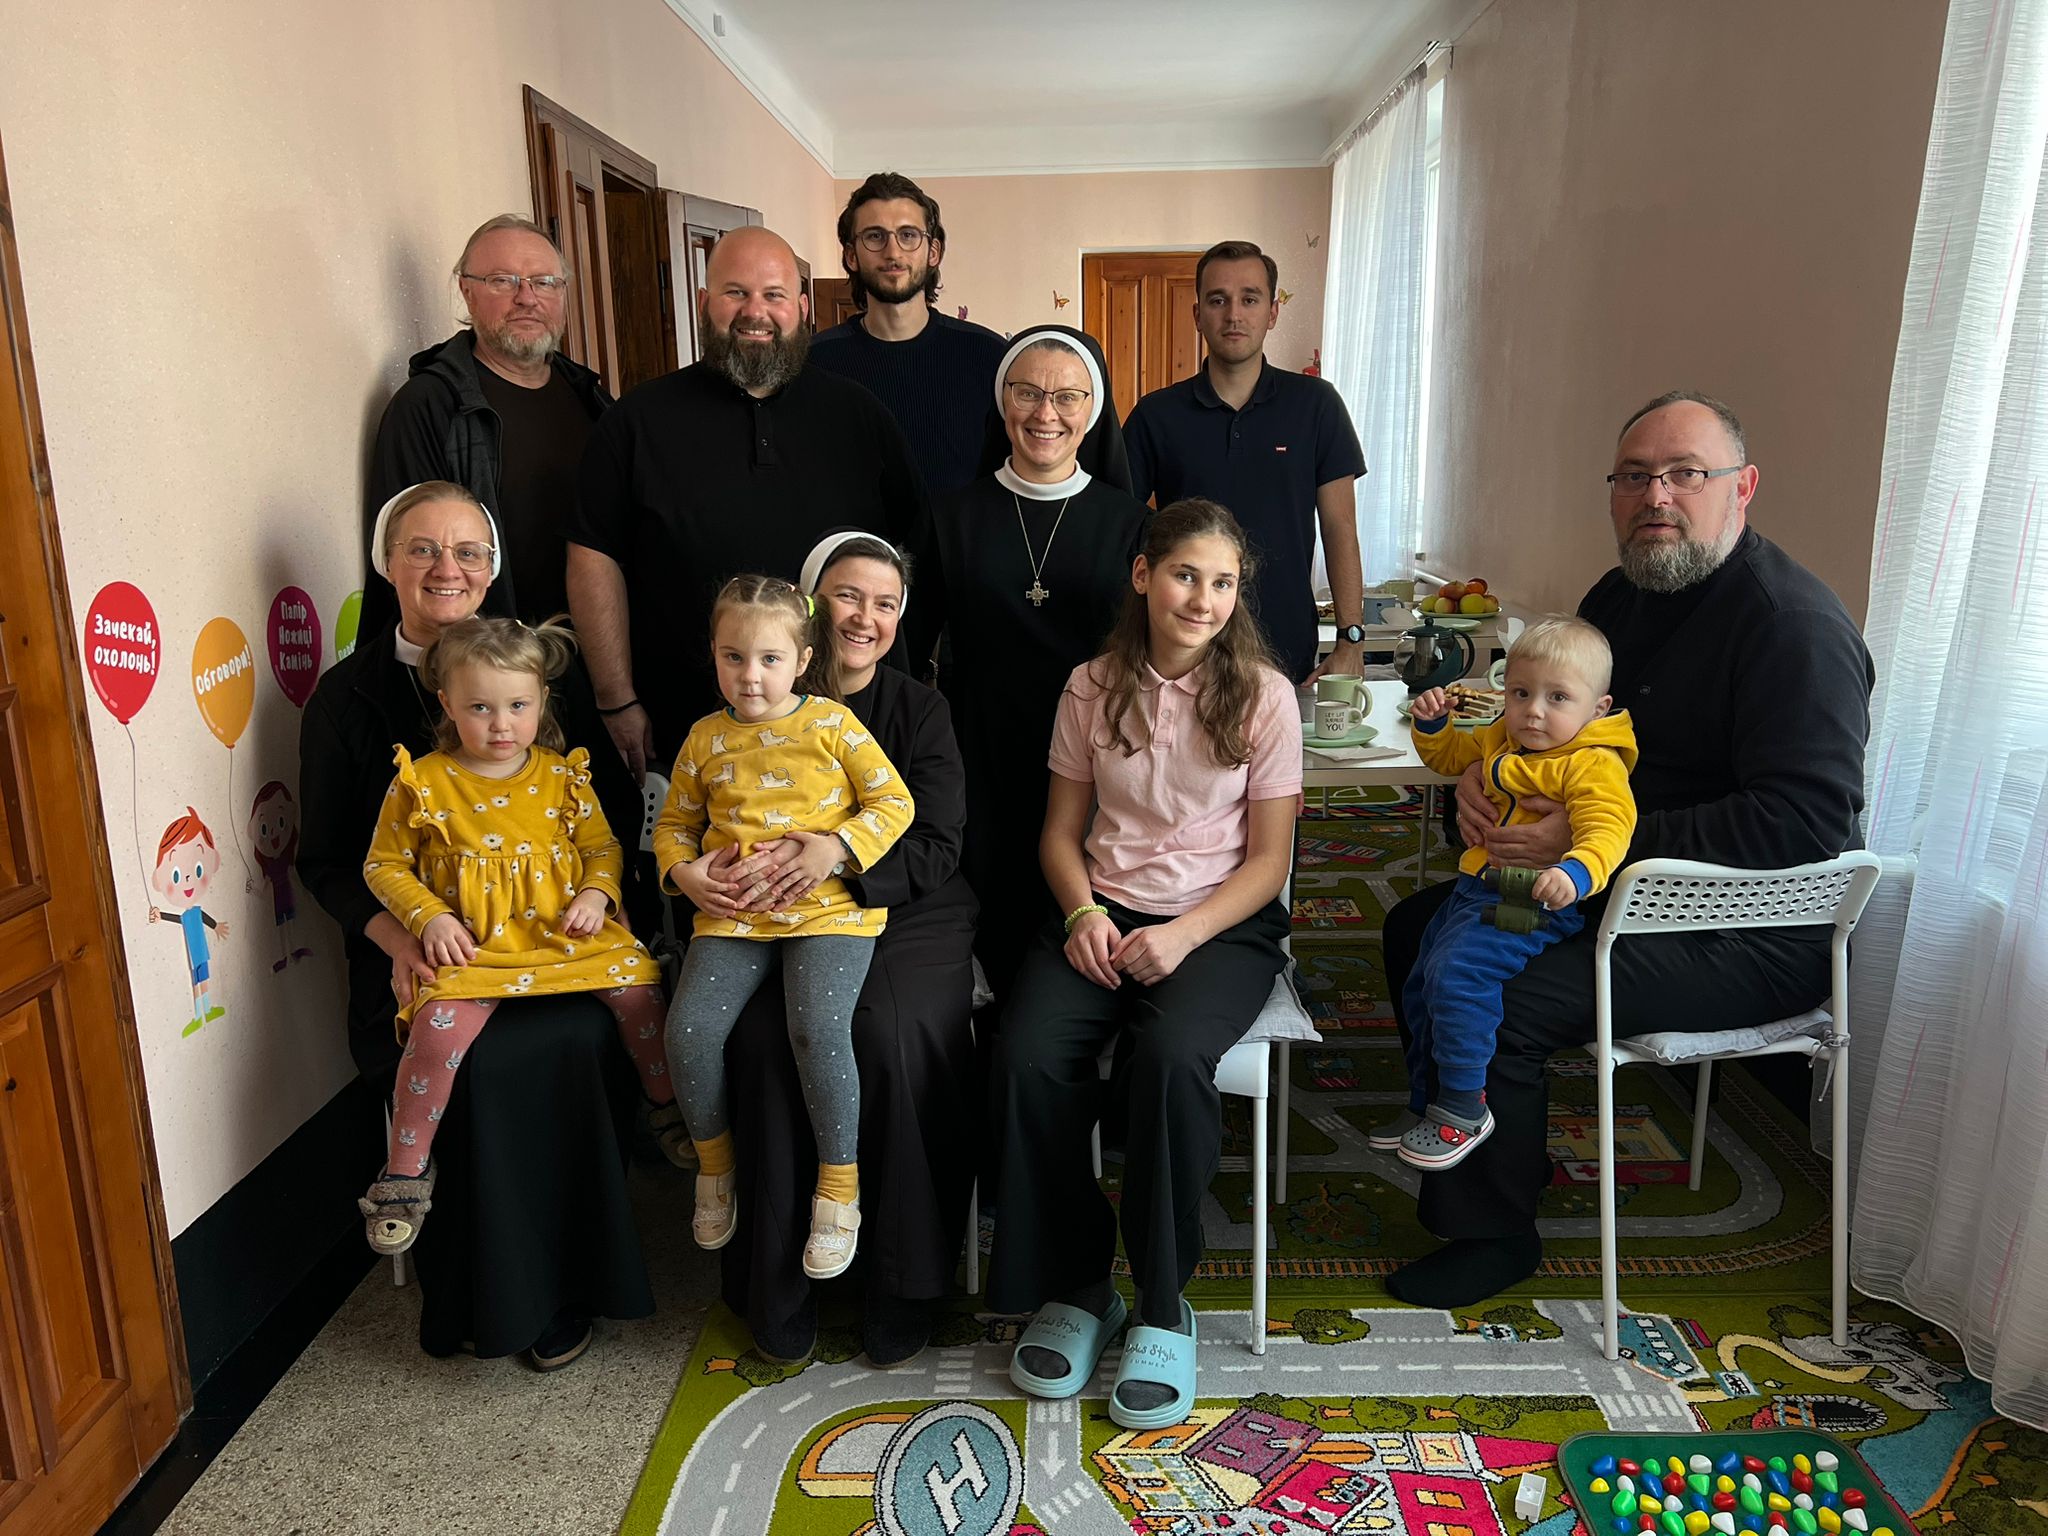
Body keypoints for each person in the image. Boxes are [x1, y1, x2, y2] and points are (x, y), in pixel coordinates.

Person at [1380, 391, 1875, 1309]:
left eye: (1687, 474)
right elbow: (1552, 736)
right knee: (1417, 929)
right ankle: (1479, 1131)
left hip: (1747, 931)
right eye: (1636, 476)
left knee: (1503, 990)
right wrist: (1485, 787)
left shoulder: (1793, 629)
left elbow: (1800, 825)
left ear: (1742, 488)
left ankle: (1492, 1233)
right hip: (1614, 891)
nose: (1658, 497)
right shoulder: (1620, 597)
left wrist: (1589, 842)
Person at [299, 480, 653, 1368]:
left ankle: (576, 1283)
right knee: (481, 1060)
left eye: (467, 551)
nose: (445, 568)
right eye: (422, 549)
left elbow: (601, 835)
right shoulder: (346, 698)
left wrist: (594, 904)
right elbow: (331, 861)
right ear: (387, 563)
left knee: (578, 1039)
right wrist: (401, 936)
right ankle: (483, 1297)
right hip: (424, 956)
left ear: (491, 569)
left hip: (552, 946)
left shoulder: (533, 676)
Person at [993, 499, 1300, 1431]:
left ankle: (1165, 1305)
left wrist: (1186, 934)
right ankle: (1083, 1285)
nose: (1202, 599)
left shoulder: (1265, 696)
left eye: (1223, 582)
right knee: (1024, 1058)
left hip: (1221, 922)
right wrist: (1082, 911)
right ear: (1143, 575)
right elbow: (1060, 833)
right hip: (1103, 911)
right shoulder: (1090, 686)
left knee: (1168, 1061)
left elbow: (1269, 863)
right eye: (1184, 575)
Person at [719, 531, 979, 1368]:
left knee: (888, 1034)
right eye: (847, 596)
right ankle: (777, 1283)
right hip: (781, 911)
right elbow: (710, 812)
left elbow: (938, 842)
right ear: (807, 607)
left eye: (885, 603)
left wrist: (836, 857)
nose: (865, 617)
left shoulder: (920, 709)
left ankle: (899, 1281)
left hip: (907, 904)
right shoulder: (754, 698)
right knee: (763, 1039)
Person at [356, 616, 684, 1256]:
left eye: (517, 706)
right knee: (436, 1031)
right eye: (480, 707)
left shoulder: (564, 777)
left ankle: (665, 1104)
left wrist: (597, 895)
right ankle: (405, 1170)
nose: (500, 724)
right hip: (474, 946)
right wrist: (429, 917)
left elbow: (602, 849)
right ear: (448, 704)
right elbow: (382, 865)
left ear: (541, 701)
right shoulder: (422, 782)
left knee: (641, 988)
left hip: (561, 936)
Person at [566, 226, 930, 781]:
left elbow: (906, 555)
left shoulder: (860, 417)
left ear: (802, 308)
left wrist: (903, 695)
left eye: (773, 295)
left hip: (841, 732)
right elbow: (594, 556)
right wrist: (617, 699)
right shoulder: (636, 421)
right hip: (682, 726)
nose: (754, 312)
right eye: (735, 292)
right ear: (704, 302)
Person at [654, 576, 916, 1282]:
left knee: (815, 1029)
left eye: (769, 659)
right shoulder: (704, 738)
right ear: (714, 655)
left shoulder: (832, 724)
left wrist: (838, 848)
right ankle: (715, 1166)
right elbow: (673, 825)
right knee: (688, 1032)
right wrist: (684, 874)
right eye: (733, 657)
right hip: (733, 916)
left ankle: (838, 1187)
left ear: (801, 660)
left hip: (828, 912)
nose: (750, 676)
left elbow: (895, 803)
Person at [910, 325, 1148, 1005]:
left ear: (1092, 411)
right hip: (979, 750)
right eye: (1027, 393)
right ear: (1002, 401)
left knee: (1084, 922)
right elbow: (906, 648)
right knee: (995, 924)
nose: (1046, 413)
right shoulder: (950, 516)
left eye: (1067, 396)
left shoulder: (1130, 523)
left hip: (1099, 756)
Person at [1382, 617, 1637, 1170]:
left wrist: (1574, 874)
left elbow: (1610, 829)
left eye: (1557, 698)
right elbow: (1451, 758)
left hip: (1531, 897)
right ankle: (1426, 1100)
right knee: (1423, 981)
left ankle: (1462, 1109)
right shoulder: (1504, 735)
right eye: (1521, 693)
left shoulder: (1593, 762)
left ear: (1598, 708)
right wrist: (1434, 726)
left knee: (1458, 977)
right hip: (1477, 886)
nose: (1533, 711)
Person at [1123, 239, 1369, 684]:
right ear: (1198, 314)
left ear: (1272, 313)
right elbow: (1121, 531)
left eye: (1249, 299)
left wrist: (1351, 639)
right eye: (1218, 300)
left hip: (1286, 655)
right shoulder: (1155, 416)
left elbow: (1340, 526)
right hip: (1178, 657)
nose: (1233, 315)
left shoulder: (1317, 406)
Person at [360, 216, 609, 639]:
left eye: (544, 282)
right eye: (502, 281)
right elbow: (411, 571)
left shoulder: (594, 400)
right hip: (486, 663)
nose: (527, 298)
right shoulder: (429, 407)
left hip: (590, 655)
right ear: (467, 291)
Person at [810, 172, 1008, 497]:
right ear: (851, 255)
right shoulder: (813, 363)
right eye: (875, 236)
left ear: (933, 251)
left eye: (908, 235)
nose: (893, 252)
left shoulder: (989, 356)